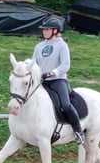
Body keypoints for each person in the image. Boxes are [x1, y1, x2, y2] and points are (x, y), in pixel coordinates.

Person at [32, 15, 86, 145]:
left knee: (66, 105)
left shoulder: (62, 45)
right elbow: (33, 63)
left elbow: (65, 65)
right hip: (41, 81)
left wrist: (52, 73)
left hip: (58, 81)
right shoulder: (39, 46)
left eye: (47, 29)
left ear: (55, 31)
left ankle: (78, 131)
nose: (44, 31)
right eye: (43, 29)